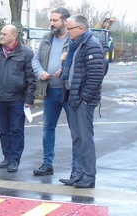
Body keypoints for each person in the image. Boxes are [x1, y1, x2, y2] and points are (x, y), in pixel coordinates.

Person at [58, 15, 104, 188]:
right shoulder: (75, 45)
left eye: (70, 28)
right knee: (77, 138)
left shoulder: (91, 45)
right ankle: (78, 174)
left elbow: (95, 76)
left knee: (85, 139)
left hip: (83, 100)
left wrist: (85, 98)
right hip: (73, 96)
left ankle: (88, 176)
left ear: (81, 29)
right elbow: (73, 71)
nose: (67, 31)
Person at [0, 24, 36, 173]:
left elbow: (31, 79)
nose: (1, 36)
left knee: (17, 130)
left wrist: (28, 100)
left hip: (17, 99)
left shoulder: (26, 53)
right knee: (3, 130)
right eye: (0, 33)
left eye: (4, 34)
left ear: (14, 36)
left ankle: (14, 160)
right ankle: (7, 157)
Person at [31, 7, 76, 176]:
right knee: (48, 128)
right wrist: (40, 72)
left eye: (55, 20)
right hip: (49, 90)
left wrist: (65, 69)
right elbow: (35, 60)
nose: (52, 24)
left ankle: (76, 167)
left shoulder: (73, 40)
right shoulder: (46, 38)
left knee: (75, 130)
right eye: (51, 20)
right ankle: (47, 164)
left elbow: (78, 63)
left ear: (65, 21)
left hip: (67, 92)